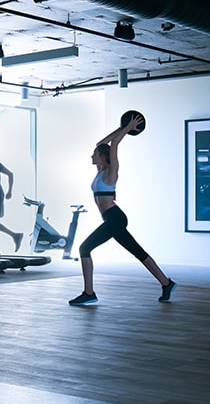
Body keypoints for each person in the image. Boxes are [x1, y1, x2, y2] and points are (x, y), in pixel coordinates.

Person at [69, 114, 176, 306]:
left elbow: (114, 145)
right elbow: (102, 143)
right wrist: (122, 127)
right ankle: (166, 283)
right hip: (111, 219)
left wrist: (129, 128)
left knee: (84, 248)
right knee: (137, 251)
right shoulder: (100, 172)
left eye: (94, 154)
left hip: (115, 218)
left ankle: (89, 292)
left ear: (102, 156)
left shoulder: (111, 171)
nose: (91, 156)